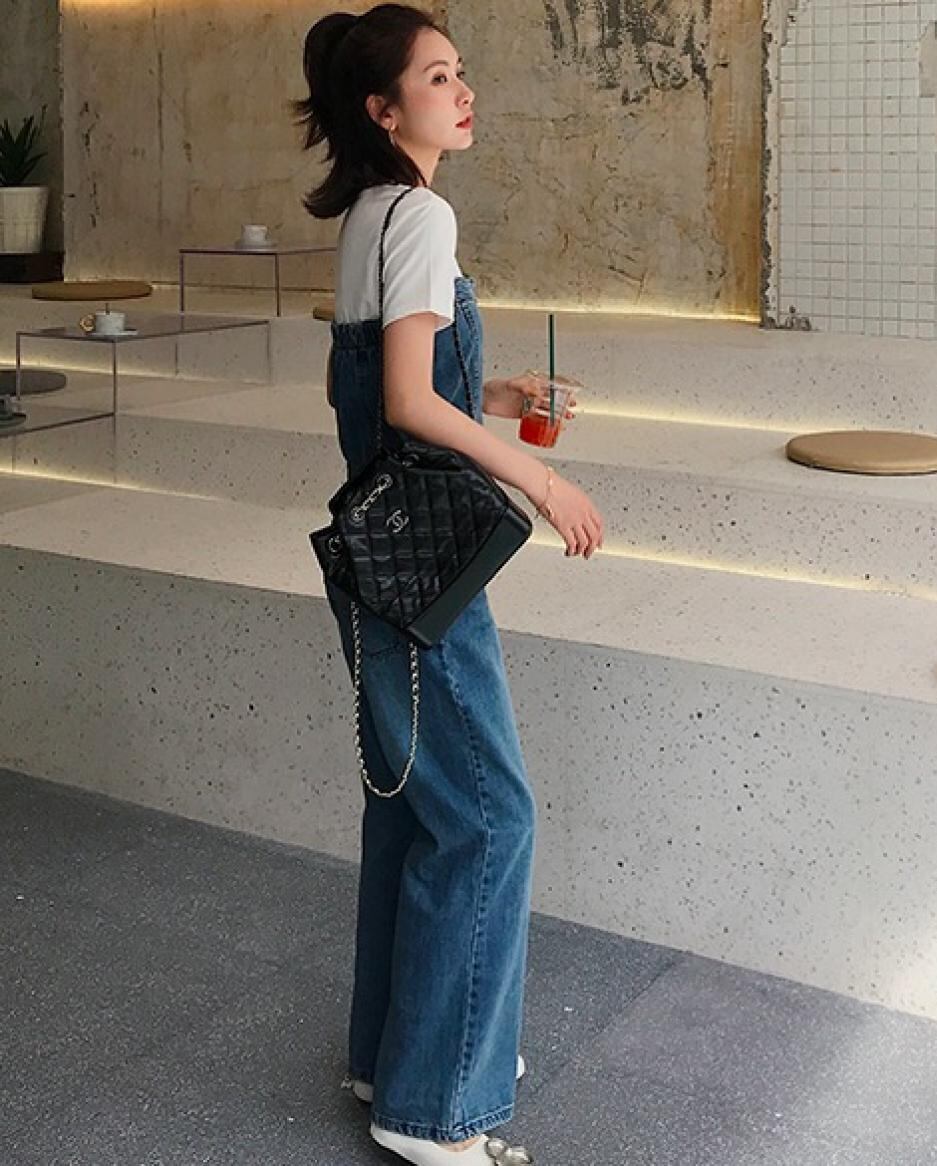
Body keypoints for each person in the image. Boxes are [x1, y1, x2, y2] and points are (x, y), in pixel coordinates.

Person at [295, 6, 605, 1162]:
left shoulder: (371, 214)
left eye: (459, 71)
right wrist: (541, 478)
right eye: (438, 77)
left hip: (377, 553)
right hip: (425, 566)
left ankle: (403, 1053)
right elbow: (407, 400)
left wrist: (499, 388)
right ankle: (437, 1111)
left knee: (414, 811)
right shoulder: (422, 214)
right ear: (384, 110)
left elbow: (378, 383)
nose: (463, 91)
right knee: (489, 817)